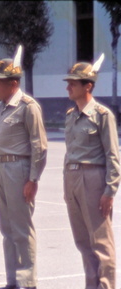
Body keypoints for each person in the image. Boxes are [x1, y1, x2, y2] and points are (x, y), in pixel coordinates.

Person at [0, 50, 47, 289]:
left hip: (18, 169)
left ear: (13, 84)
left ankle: (26, 282)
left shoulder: (27, 107)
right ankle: (12, 280)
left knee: (22, 228)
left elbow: (39, 146)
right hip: (0, 167)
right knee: (7, 228)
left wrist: (33, 179)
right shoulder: (1, 106)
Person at [63, 56, 120, 289]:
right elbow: (69, 153)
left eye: (74, 83)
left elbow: (112, 156)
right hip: (73, 179)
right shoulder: (71, 115)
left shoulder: (102, 115)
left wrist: (110, 190)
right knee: (83, 242)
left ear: (88, 86)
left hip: (93, 180)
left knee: (101, 243)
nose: (68, 86)